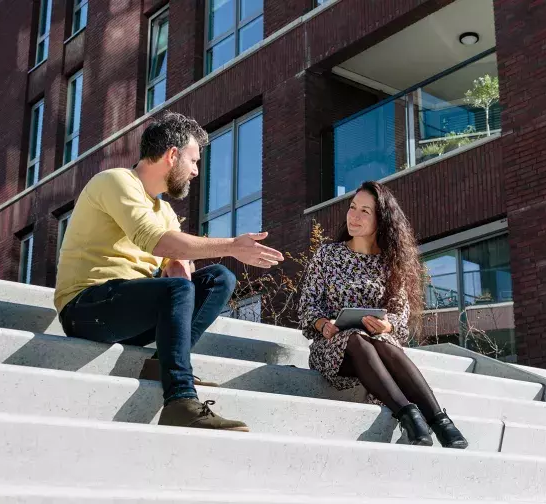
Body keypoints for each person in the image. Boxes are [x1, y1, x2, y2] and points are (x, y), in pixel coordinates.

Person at [54, 111, 284, 432]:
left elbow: (176, 267)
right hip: (86, 307)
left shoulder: (166, 213)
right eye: (192, 160)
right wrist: (232, 244)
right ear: (172, 155)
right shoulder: (116, 181)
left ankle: (163, 363)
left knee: (220, 277)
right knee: (178, 289)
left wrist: (182, 267)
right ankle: (179, 399)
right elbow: (154, 239)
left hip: (129, 312)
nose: (196, 171)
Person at [298, 181, 468, 448]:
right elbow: (307, 306)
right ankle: (409, 415)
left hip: (378, 349)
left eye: (365, 211)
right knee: (354, 336)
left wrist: (386, 326)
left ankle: (440, 421)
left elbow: (400, 316)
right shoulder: (326, 256)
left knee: (381, 341)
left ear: (382, 219)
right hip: (332, 350)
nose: (354, 216)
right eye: (352, 207)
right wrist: (323, 325)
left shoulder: (391, 263)